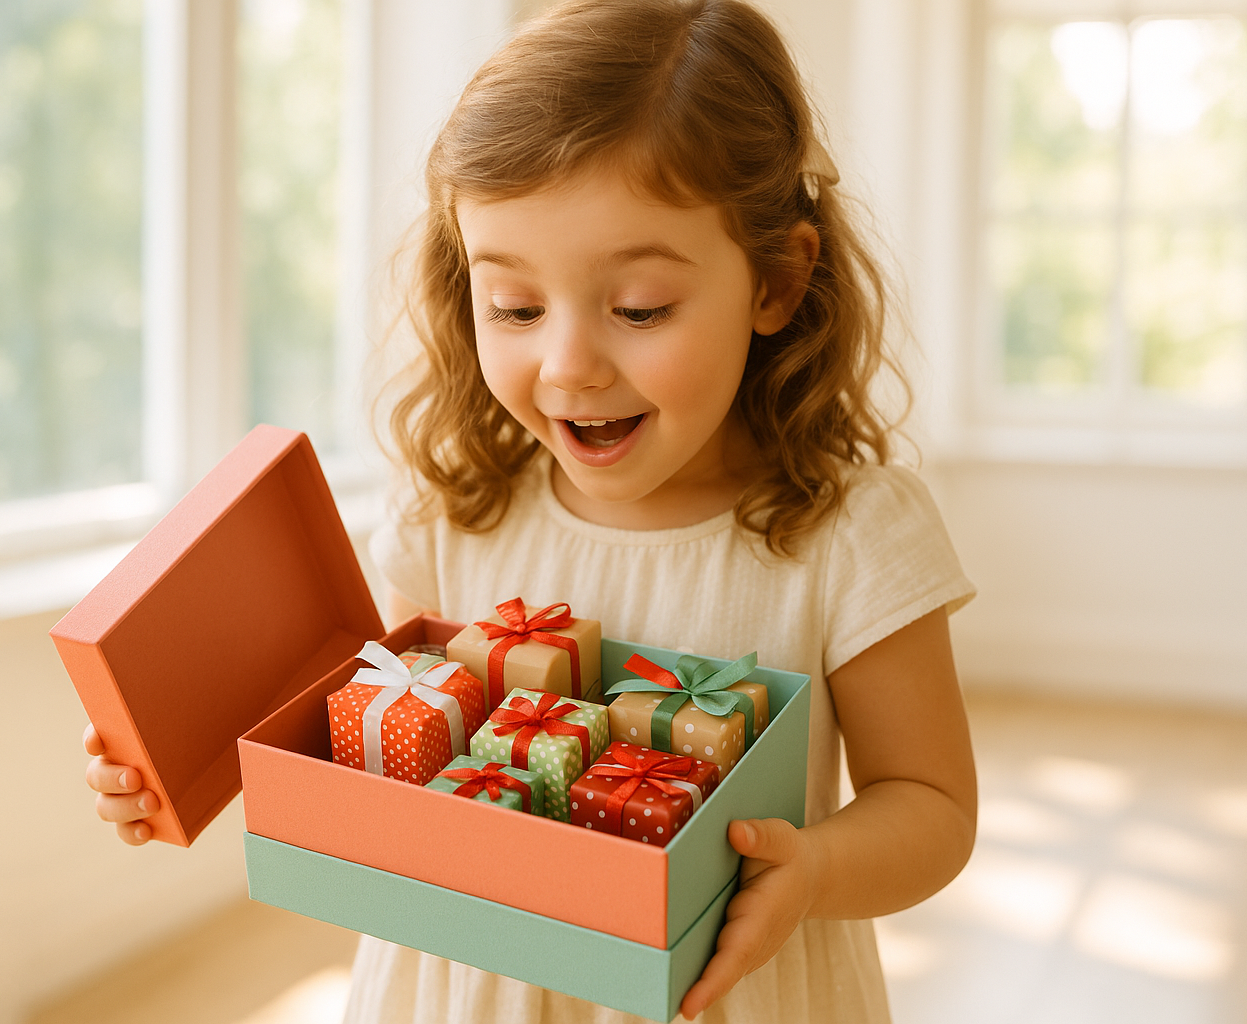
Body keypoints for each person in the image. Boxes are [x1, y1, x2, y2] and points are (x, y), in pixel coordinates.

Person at [84, 1, 978, 1021]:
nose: (568, 366)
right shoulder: (455, 515)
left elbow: (934, 807)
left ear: (777, 281)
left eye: (639, 307)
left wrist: (812, 869)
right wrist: (173, 755)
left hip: (728, 986)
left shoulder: (850, 533)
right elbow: (368, 723)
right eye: (513, 307)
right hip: (460, 987)